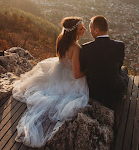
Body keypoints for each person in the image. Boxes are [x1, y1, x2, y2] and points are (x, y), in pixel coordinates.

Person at [12, 17, 89, 148]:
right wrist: (88, 69)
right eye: (82, 28)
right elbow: (76, 75)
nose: (85, 29)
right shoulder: (76, 48)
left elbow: (60, 58)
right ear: (75, 31)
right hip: (68, 79)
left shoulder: (61, 39)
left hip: (58, 72)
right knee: (66, 99)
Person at [80, 15, 128, 109]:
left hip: (94, 94)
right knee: (123, 70)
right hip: (116, 94)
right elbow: (118, 66)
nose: (90, 31)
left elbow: (83, 69)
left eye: (90, 28)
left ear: (96, 30)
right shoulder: (119, 46)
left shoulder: (86, 48)